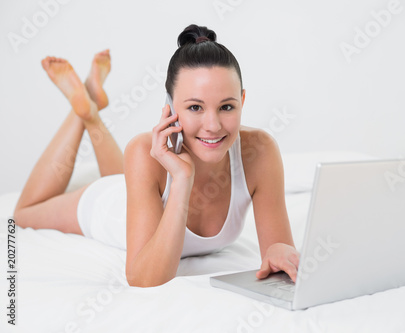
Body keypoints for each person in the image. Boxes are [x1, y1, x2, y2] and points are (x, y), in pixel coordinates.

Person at [13, 24, 300, 287]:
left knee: (124, 175)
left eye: (226, 107)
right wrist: (182, 178)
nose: (212, 126)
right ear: (170, 105)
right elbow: (143, 279)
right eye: (195, 108)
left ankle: (90, 108)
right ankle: (84, 113)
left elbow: (277, 247)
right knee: (24, 213)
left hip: (139, 187)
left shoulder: (259, 152)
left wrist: (281, 254)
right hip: (110, 206)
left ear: (242, 101)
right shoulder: (143, 151)